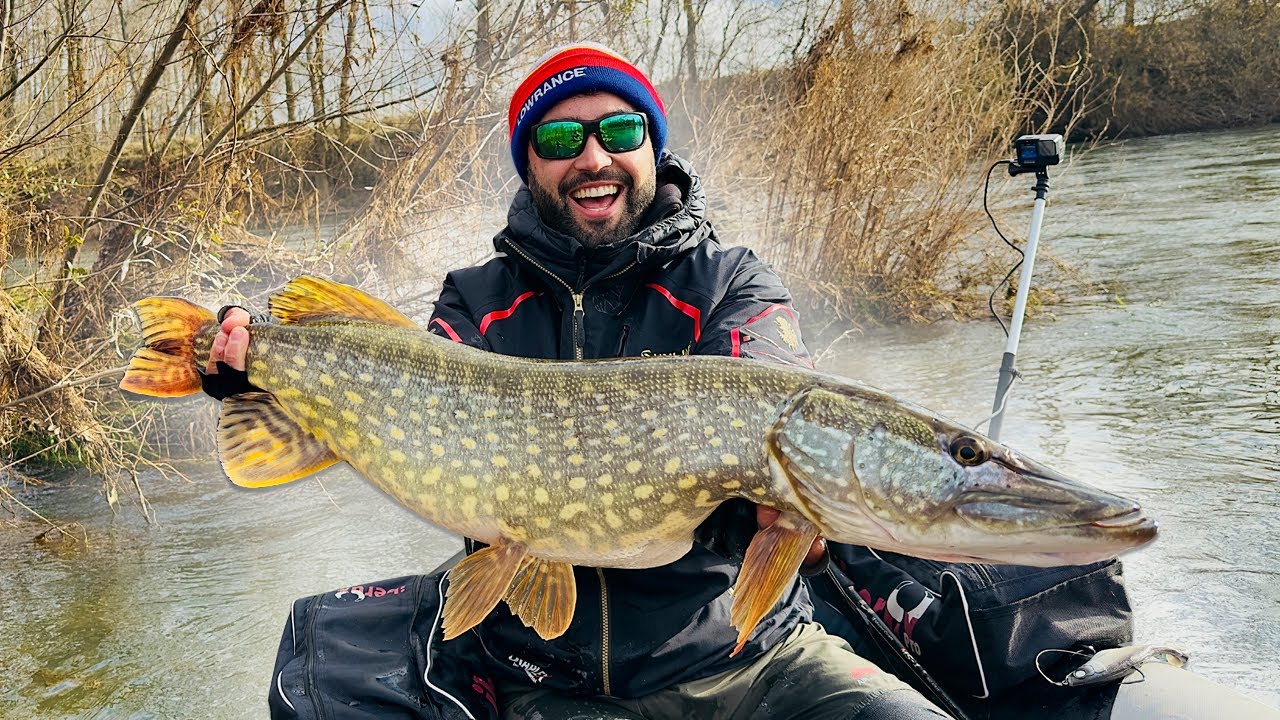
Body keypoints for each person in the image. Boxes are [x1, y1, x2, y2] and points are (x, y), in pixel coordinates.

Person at [205, 43, 951, 719]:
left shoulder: (730, 282)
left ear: (653, 146)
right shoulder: (475, 299)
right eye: (561, 140)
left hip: (751, 661)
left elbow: (764, 406)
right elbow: (402, 399)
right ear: (530, 164)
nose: (593, 157)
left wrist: (794, 526)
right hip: (545, 681)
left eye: (620, 131)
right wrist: (255, 378)